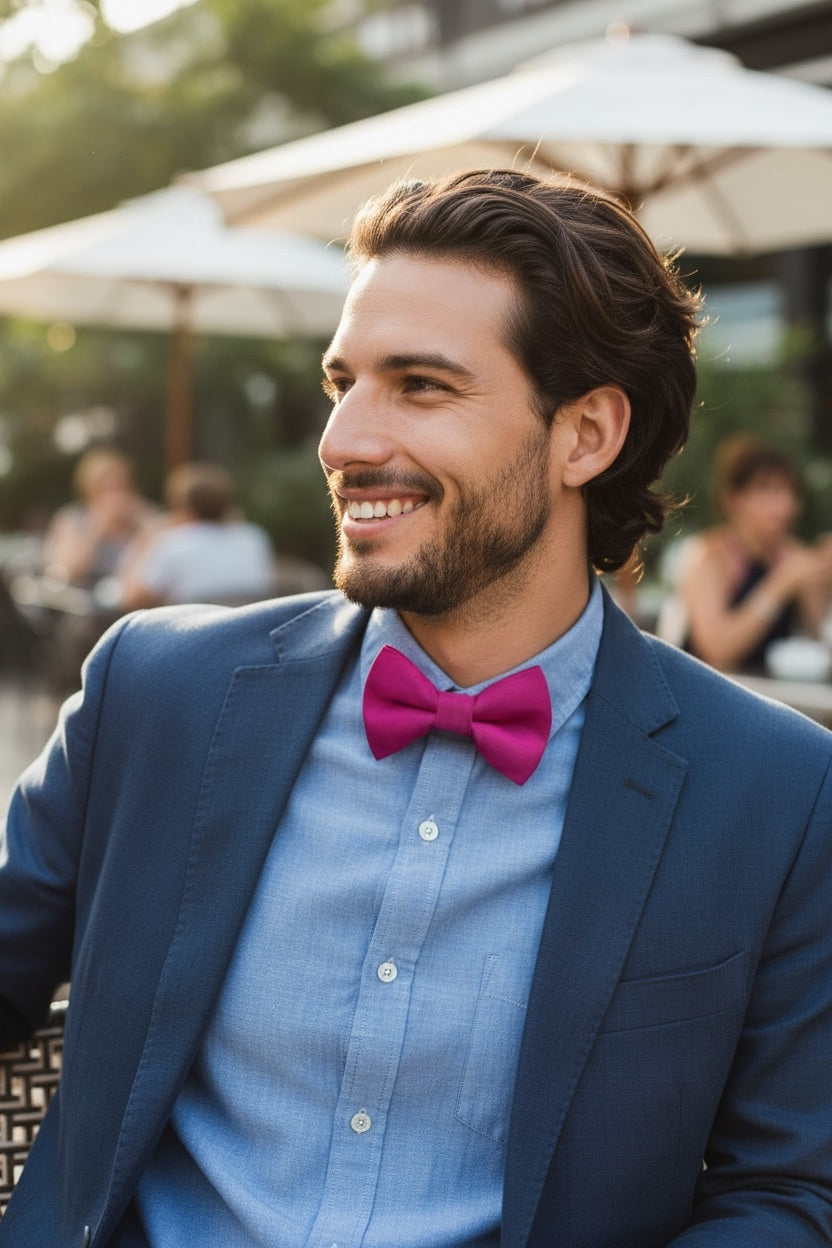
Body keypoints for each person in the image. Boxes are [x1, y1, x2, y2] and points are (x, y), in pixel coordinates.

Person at [1, 170, 832, 1248]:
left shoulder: (776, 791)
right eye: (342, 380)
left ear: (585, 436)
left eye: (420, 386)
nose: (342, 440)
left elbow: (791, 1188)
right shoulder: (155, 693)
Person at [675, 435, 832, 671]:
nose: (785, 504)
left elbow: (818, 637)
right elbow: (716, 651)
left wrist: (823, 582)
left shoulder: (793, 555)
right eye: (768, 489)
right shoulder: (710, 555)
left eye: (790, 491)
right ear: (733, 499)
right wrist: (780, 585)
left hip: (770, 695)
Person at [119, 461, 277, 609]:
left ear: (183, 507)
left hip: (194, 635)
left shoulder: (173, 543)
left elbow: (133, 599)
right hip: (247, 632)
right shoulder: (254, 537)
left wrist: (145, 540)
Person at [41, 446, 158, 591]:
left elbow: (155, 575)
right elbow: (62, 574)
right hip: (82, 606)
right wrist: (97, 528)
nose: (117, 494)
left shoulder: (145, 518)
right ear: (90, 488)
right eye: (108, 487)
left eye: (122, 485)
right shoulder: (72, 519)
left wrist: (144, 534)